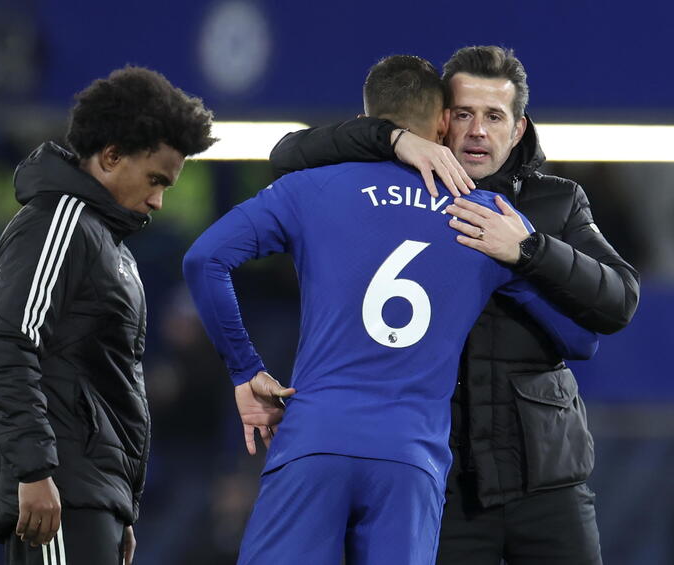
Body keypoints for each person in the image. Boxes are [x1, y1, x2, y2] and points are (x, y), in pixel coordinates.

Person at [183, 55, 598, 565]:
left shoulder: (312, 187)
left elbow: (205, 260)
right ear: (443, 124)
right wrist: (523, 257)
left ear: (365, 124)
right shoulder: (482, 218)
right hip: (411, 458)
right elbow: (581, 338)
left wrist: (245, 369)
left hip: (315, 437)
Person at [0, 66, 216, 565]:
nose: (158, 201)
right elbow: (6, 347)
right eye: (155, 180)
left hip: (89, 495)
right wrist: (35, 473)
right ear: (110, 156)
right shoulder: (58, 224)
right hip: (60, 492)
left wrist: (119, 505)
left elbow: (107, 384)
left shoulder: (107, 244)